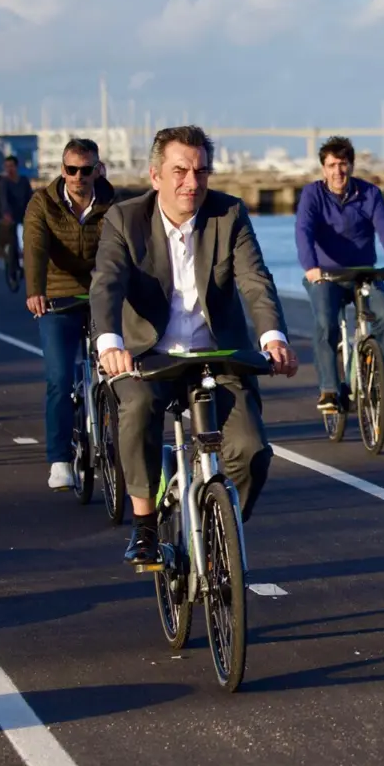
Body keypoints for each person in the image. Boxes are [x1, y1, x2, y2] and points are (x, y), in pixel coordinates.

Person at [91, 125, 298, 564]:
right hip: (149, 355)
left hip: (217, 356)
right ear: (155, 176)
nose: (192, 182)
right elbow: (106, 283)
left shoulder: (229, 214)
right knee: (139, 408)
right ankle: (145, 523)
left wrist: (273, 337)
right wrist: (109, 343)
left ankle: (220, 531)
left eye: (201, 171)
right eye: (180, 171)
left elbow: (255, 281)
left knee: (251, 451)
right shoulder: (124, 219)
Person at [23, 137, 116, 490]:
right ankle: (60, 459)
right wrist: (35, 290)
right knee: (60, 378)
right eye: (71, 169)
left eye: (86, 170)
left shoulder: (112, 202)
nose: (79, 176)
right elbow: (34, 247)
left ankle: (117, 443)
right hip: (56, 295)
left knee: (117, 373)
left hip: (99, 292)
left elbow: (123, 249)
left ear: (97, 170)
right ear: (62, 170)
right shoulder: (42, 203)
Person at [296, 135, 384, 411]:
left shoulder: (369, 193)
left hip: (362, 273)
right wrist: (311, 268)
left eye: (343, 164)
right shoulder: (313, 194)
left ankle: (365, 372)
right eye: (332, 165)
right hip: (325, 276)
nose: (338, 171)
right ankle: (328, 389)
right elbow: (303, 231)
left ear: (351, 165)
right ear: (324, 168)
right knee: (327, 324)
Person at [0, 155, 32, 273]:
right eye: (7, 167)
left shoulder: (24, 180)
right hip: (10, 213)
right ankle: (13, 261)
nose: (9, 169)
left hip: (24, 211)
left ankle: (27, 256)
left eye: (11, 166)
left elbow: (30, 197)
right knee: (13, 238)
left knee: (31, 233)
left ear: (16, 167)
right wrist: (6, 213)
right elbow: (3, 199)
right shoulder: (4, 181)